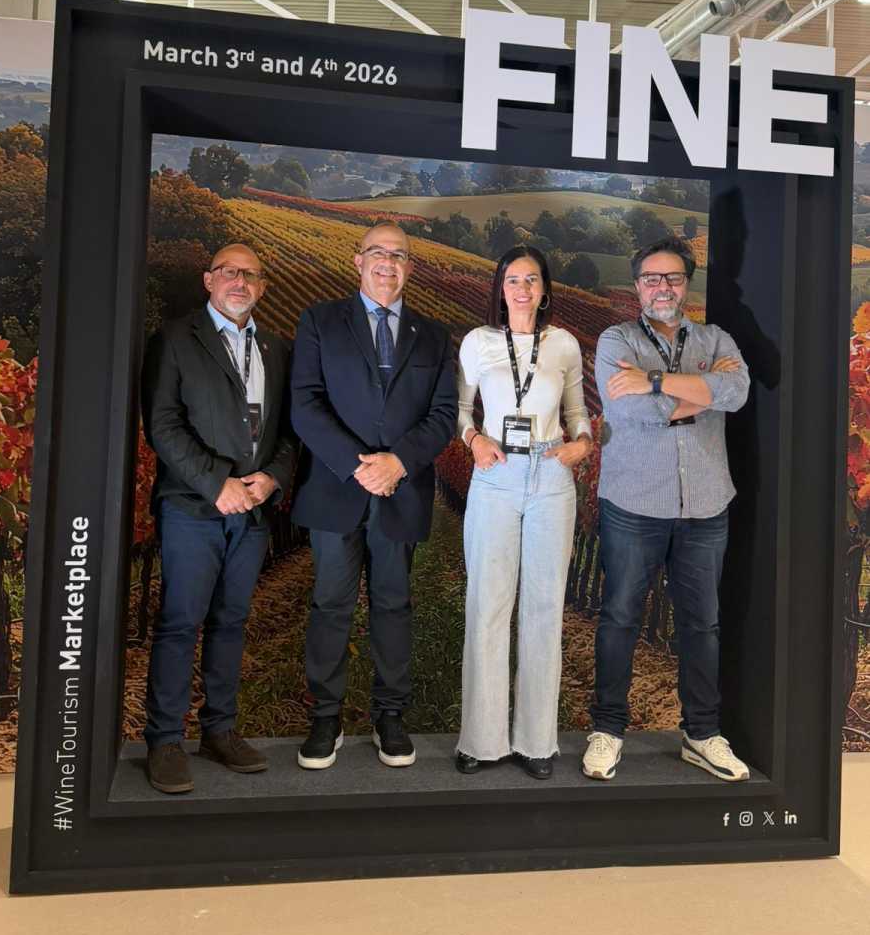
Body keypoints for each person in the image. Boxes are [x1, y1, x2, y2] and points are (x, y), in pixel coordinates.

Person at [290, 221, 457, 770]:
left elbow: (443, 416)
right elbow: (305, 404)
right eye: (378, 253)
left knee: (393, 606)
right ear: (358, 261)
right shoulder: (319, 321)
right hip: (336, 487)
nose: (388, 263)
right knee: (330, 605)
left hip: (400, 491)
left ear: (410, 266)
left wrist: (398, 463)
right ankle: (326, 718)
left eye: (399, 255)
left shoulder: (435, 336)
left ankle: (390, 717)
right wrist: (357, 466)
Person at [584, 235, 750, 783]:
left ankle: (701, 734)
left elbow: (737, 392)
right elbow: (627, 410)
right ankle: (608, 729)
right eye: (652, 278)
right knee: (619, 617)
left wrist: (654, 381)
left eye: (673, 278)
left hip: (706, 503)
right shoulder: (616, 340)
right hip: (634, 503)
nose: (663, 287)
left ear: (686, 285)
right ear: (637, 286)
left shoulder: (716, 337)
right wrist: (702, 390)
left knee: (702, 624)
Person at [140, 243, 297, 794]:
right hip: (192, 507)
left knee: (231, 622)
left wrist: (272, 477)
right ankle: (164, 740)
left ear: (263, 287)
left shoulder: (276, 348)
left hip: (252, 510)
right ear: (209, 280)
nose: (240, 282)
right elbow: (162, 425)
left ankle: (219, 730)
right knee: (181, 622)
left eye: (250, 275)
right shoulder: (175, 340)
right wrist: (216, 483)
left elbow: (288, 431)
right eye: (229, 272)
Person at [455, 246, 592, 780]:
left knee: (543, 608)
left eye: (532, 279)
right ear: (500, 287)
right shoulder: (478, 342)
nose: (522, 289)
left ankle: (537, 742)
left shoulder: (564, 344)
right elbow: (460, 411)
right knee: (487, 606)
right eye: (513, 279)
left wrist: (582, 443)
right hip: (496, 475)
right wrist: (473, 440)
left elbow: (577, 412)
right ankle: (481, 740)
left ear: (544, 289)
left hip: (551, 476)